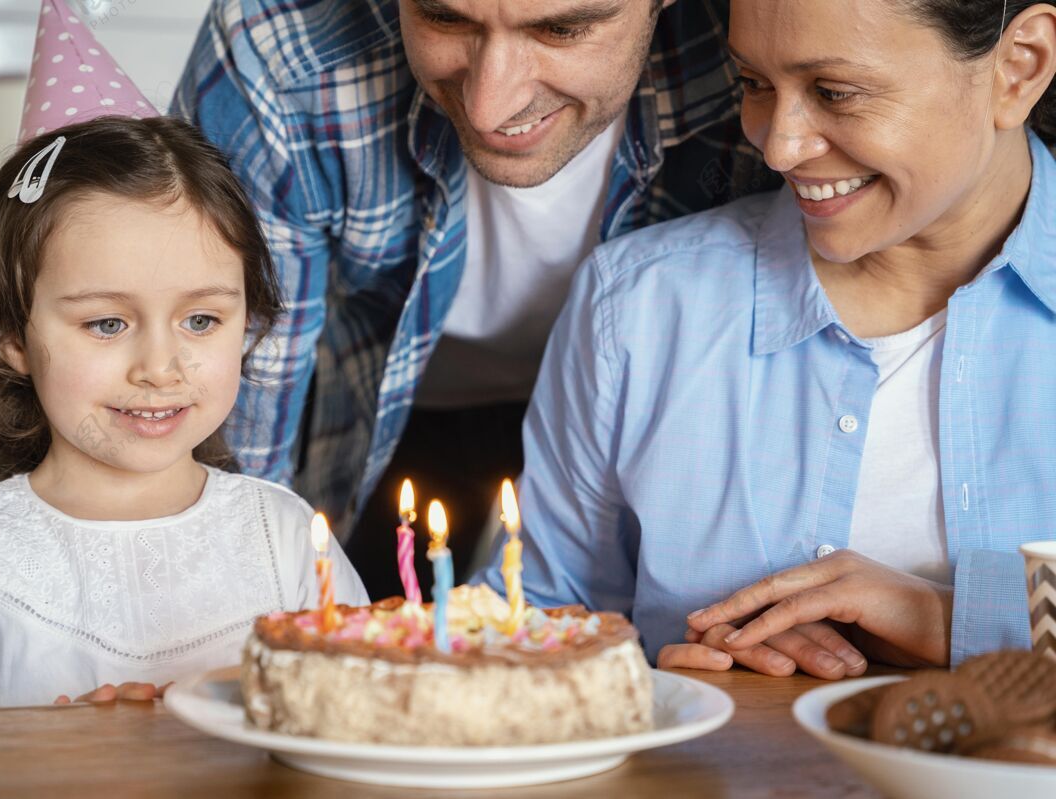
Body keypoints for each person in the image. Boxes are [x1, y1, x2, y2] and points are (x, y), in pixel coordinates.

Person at [478, 0, 1056, 679]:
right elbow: (530, 634)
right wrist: (649, 686)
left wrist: (955, 622)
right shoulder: (637, 308)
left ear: (1019, 69)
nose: (777, 145)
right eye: (753, 83)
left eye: (835, 92)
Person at [172, 0, 776, 599]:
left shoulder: (775, 43)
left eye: (561, 29)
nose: (490, 106)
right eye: (445, 18)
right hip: (373, 406)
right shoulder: (278, 42)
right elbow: (234, 421)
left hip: (626, 418)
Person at [0, 4, 365, 711]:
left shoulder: (284, 540)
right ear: (12, 335)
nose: (160, 366)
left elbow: (362, 734)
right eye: (106, 322)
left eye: (200, 318)